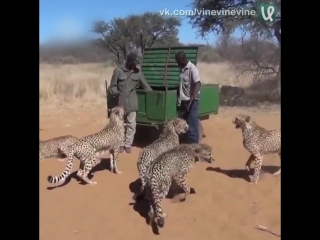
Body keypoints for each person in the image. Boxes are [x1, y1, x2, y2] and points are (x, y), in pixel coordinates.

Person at [108, 53, 153, 153]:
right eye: (133, 63)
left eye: (136, 63)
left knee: (131, 125)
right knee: (119, 125)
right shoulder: (118, 71)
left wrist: (154, 93)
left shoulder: (138, 73)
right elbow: (113, 85)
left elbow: (146, 86)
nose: (135, 65)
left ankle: (128, 144)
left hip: (132, 102)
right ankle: (120, 144)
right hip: (120, 103)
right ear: (128, 62)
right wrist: (115, 92)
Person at [175, 51, 201, 144]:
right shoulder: (182, 69)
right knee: (184, 125)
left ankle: (193, 148)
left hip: (191, 101)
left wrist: (192, 99)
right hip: (183, 101)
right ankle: (185, 146)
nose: (177, 64)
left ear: (182, 60)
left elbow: (197, 84)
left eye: (178, 61)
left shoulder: (192, 68)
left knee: (192, 126)